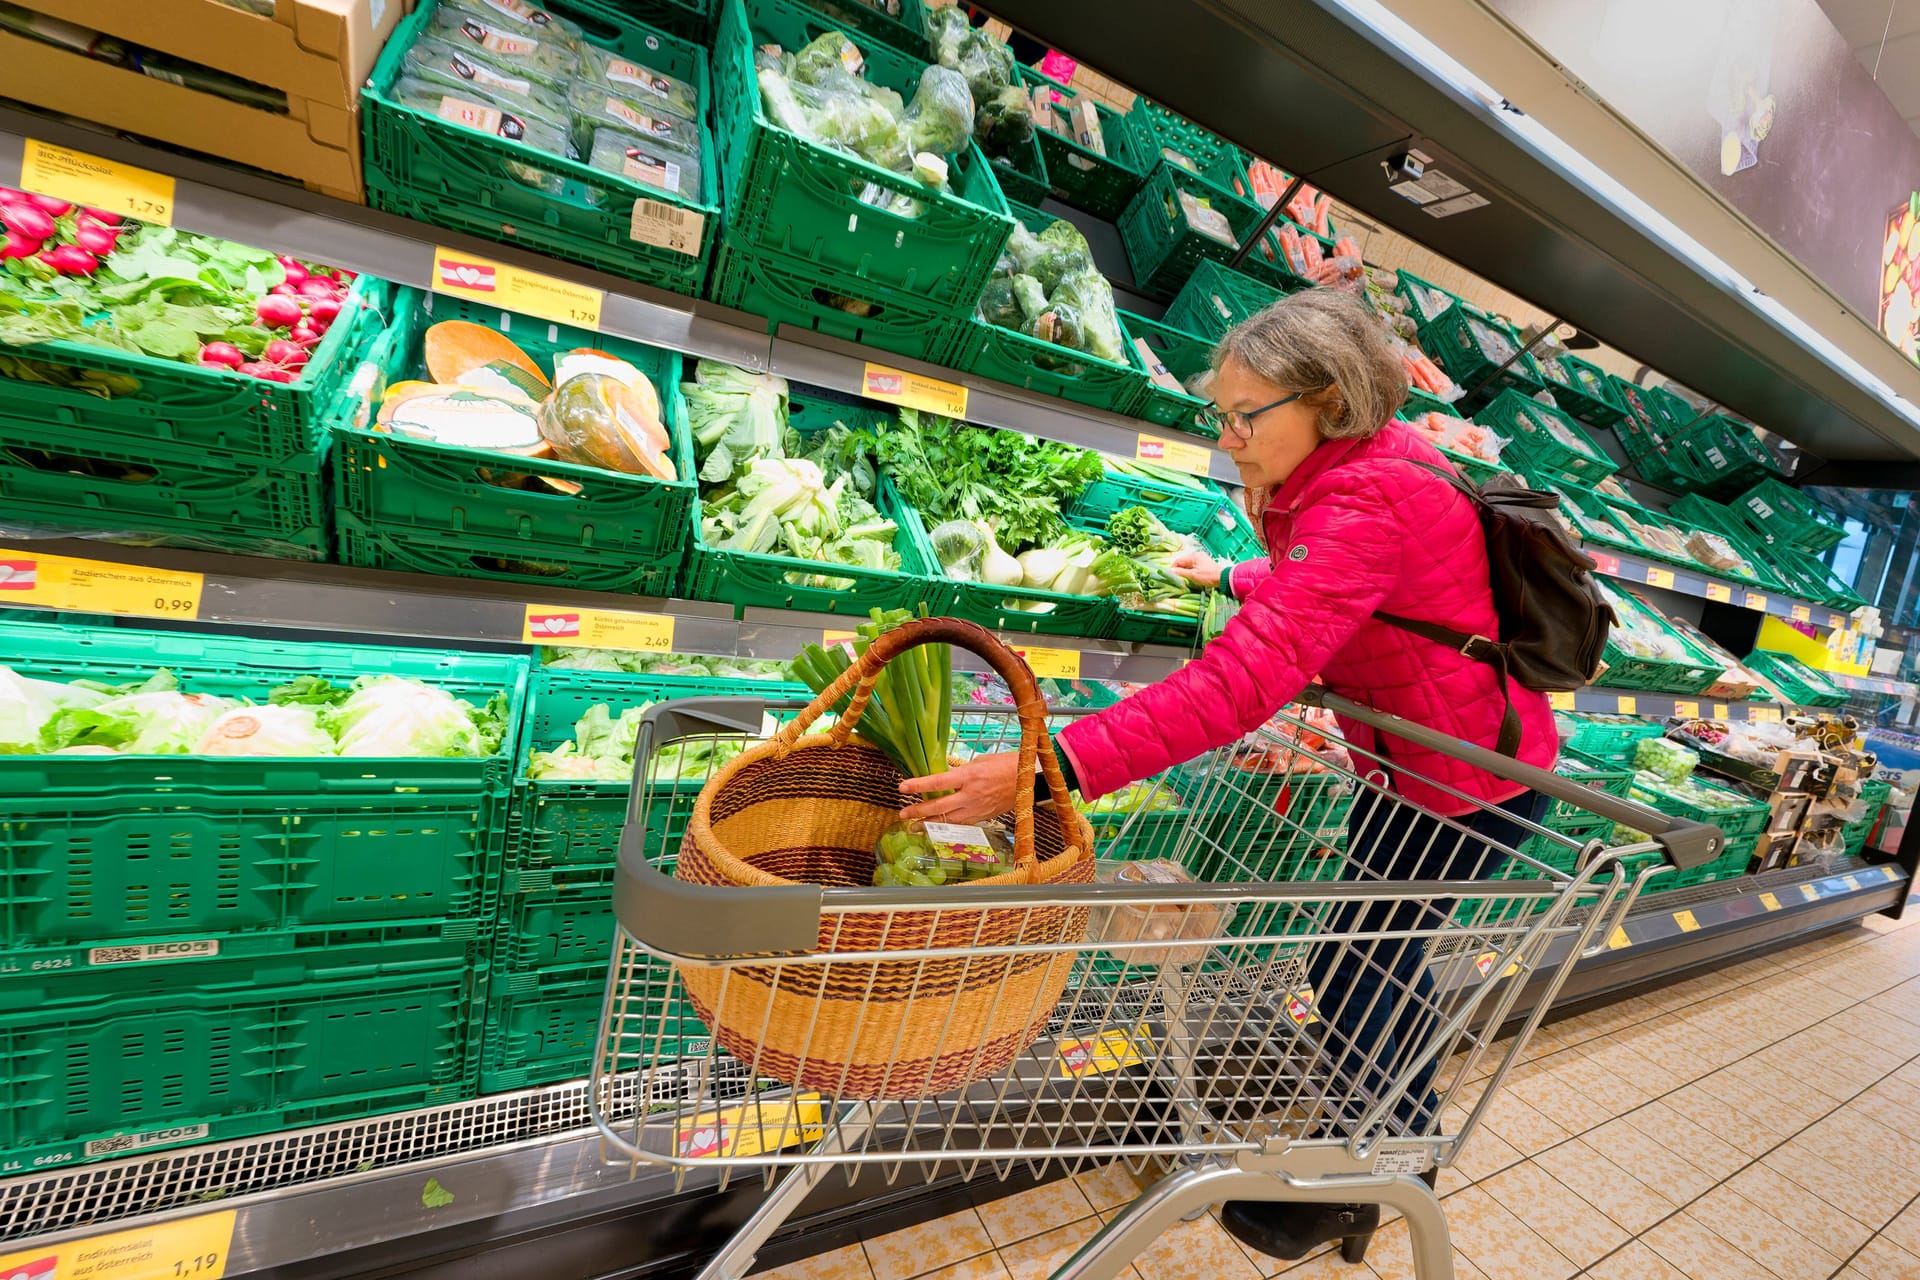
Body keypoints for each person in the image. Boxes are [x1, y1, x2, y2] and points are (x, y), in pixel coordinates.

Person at [900, 288, 1557, 1263]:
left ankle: (1379, 1172)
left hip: (1469, 784)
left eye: (1247, 416)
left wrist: (1051, 767)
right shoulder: (1371, 467)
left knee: (1361, 964)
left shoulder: (1367, 495)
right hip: (1416, 770)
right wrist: (1236, 577)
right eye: (1224, 415)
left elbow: (1241, 681)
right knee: (1367, 959)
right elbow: (1348, 583)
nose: (1230, 437)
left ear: (1327, 402)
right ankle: (1388, 1162)